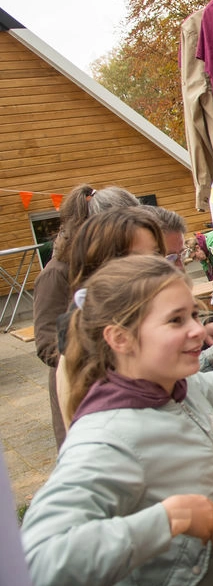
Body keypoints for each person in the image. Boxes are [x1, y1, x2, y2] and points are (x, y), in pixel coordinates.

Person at [20, 255, 213, 586]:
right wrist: (168, 520)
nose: (198, 331)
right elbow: (37, 562)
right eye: (175, 320)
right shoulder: (106, 439)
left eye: (194, 316)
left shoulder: (183, 389)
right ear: (120, 338)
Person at [33, 184, 139, 448]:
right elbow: (47, 343)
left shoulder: (111, 264)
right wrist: (96, 353)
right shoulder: (57, 273)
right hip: (82, 390)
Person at [146, 205, 213, 371]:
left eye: (181, 256)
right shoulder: (126, 315)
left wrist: (204, 328)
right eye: (170, 258)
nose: (181, 269)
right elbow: (166, 380)